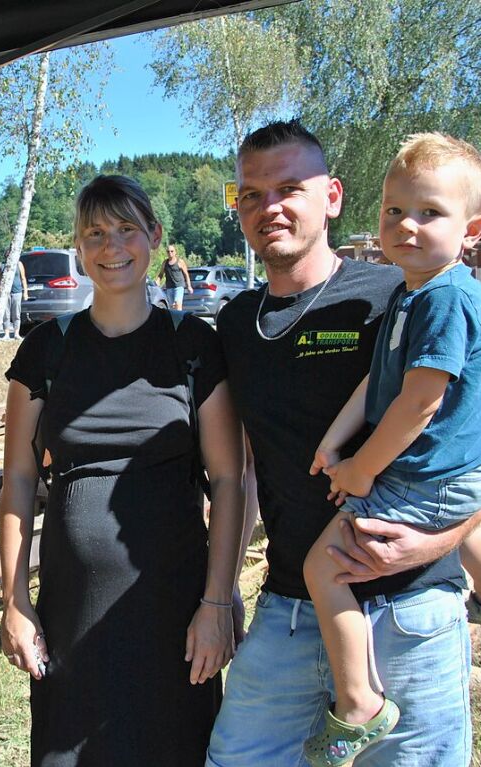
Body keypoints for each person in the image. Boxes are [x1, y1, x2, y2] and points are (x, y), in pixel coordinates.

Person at [208, 120, 480, 767]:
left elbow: (463, 430)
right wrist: (218, 596)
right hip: (289, 608)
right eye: (249, 193)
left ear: (330, 196)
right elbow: (236, 473)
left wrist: (444, 541)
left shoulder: (402, 292)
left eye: (287, 187)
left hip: (406, 607)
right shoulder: (233, 324)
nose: (267, 206)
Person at [0, 174, 245, 766]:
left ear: (154, 237)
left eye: (126, 229)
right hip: (70, 612)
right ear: (80, 248)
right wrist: (13, 599)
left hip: (174, 613)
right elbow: (18, 480)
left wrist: (217, 601)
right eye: (95, 234)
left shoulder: (192, 347)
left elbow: (230, 479)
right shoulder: (46, 350)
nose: (112, 247)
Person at [301, 133, 481, 765]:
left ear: (470, 229)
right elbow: (380, 382)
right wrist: (333, 440)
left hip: (427, 475)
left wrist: (357, 470)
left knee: (322, 568)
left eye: (429, 212)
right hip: (440, 472)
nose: (406, 225)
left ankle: (359, 704)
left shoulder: (447, 298)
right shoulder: (413, 292)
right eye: (393, 210)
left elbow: (419, 404)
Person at [0, 250, 29, 339]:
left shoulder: (19, 264)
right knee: (6, 314)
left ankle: (16, 333)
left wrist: (25, 292)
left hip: (17, 292)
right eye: (7, 256)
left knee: (16, 314)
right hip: (5, 293)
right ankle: (6, 334)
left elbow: (23, 278)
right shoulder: (1, 265)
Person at [160, 244, 192, 310]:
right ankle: (174, 319)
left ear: (175, 252)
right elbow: (160, 274)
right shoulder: (165, 263)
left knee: (177, 304)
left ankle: (180, 319)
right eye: (168, 251)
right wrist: (156, 283)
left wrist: (189, 286)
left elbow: (186, 274)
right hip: (169, 287)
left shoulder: (180, 262)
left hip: (179, 286)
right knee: (172, 307)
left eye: (172, 251)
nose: (170, 253)